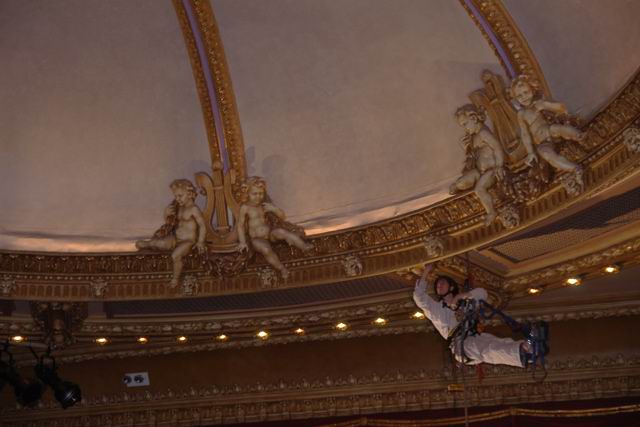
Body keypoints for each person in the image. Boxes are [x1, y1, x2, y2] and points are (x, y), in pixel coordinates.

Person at [413, 263, 532, 367]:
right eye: (437, 284)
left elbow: (482, 293)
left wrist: (459, 297)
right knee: (488, 348)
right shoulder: (436, 309)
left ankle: (528, 350)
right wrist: (426, 271)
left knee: (496, 342)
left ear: (452, 287)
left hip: (473, 337)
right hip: (460, 344)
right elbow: (419, 296)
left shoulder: (465, 303)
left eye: (443, 282)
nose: (439, 285)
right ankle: (521, 351)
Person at [510, 75, 583, 184]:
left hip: (549, 130)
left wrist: (544, 106)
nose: (524, 97)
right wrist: (530, 153)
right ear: (516, 98)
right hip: (542, 142)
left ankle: (581, 136)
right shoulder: (521, 114)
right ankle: (574, 168)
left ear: (533, 90)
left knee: (557, 128)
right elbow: (525, 134)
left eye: (526, 92)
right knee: (546, 153)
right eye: (519, 95)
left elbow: (561, 108)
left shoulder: (540, 103)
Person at [237, 177, 313, 278]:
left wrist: (274, 209)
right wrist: (242, 242)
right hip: (256, 239)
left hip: (269, 234)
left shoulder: (263, 205)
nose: (258, 197)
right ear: (247, 194)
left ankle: (303, 246)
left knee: (281, 231)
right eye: (254, 194)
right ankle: (282, 269)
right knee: (266, 249)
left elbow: (282, 216)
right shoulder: (245, 207)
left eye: (260, 193)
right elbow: (240, 225)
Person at [136, 179, 206, 286]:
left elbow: (202, 225)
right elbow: (170, 222)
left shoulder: (194, 209)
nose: (177, 199)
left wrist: (200, 241)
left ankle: (175, 279)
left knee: (175, 255)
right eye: (176, 196)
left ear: (189, 194)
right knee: (161, 243)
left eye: (180, 196)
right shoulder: (179, 208)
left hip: (188, 241)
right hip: (176, 238)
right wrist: (166, 213)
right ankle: (149, 244)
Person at [449, 105, 506, 225]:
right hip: (479, 171)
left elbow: (497, 147)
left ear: (474, 119)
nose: (465, 128)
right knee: (460, 183)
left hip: (491, 171)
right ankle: (457, 185)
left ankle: (491, 212)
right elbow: (474, 157)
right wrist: (466, 148)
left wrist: (500, 166)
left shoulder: (484, 132)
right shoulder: (474, 137)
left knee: (479, 189)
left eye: (465, 124)